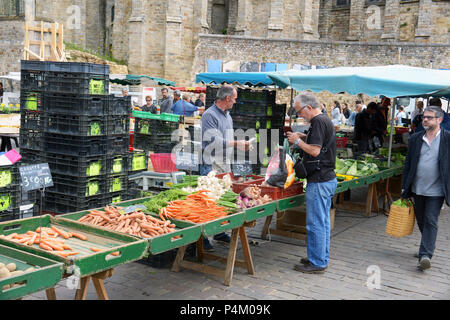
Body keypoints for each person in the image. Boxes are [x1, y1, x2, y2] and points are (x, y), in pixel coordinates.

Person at [286, 92, 337, 274]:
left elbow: (315, 151)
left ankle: (317, 263)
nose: (300, 115)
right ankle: (319, 257)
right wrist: (304, 136)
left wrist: (298, 141)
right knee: (321, 223)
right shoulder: (324, 120)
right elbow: (320, 145)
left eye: (300, 111)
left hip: (320, 179)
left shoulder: (318, 121)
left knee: (315, 223)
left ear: (308, 107)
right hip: (326, 178)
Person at [201, 85, 251, 251]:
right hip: (211, 162)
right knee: (208, 199)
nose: (235, 101)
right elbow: (213, 141)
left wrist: (239, 146)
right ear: (227, 98)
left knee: (223, 196)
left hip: (224, 162)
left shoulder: (227, 115)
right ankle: (202, 238)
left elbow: (226, 140)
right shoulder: (209, 115)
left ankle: (220, 232)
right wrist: (237, 143)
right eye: (234, 98)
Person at [401, 106, 450, 271]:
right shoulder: (415, 138)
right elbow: (408, 164)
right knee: (421, 219)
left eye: (429, 117)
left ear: (439, 120)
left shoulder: (447, 139)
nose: (425, 120)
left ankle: (425, 255)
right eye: (424, 117)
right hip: (417, 188)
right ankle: (427, 244)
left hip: (437, 190)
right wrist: (404, 187)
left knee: (430, 219)